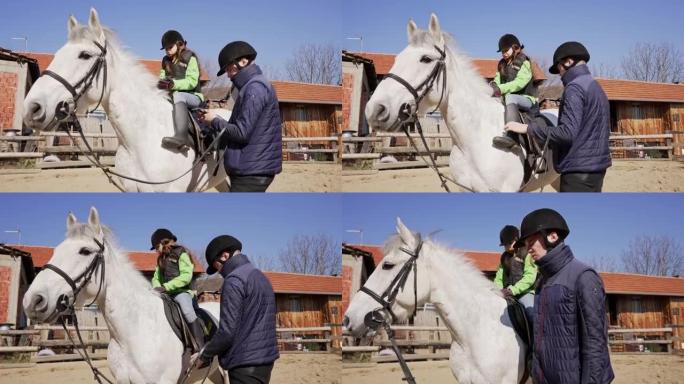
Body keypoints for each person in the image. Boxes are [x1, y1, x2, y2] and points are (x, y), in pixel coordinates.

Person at [516, 208, 614, 384]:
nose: (528, 249)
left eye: (531, 242)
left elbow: (595, 344)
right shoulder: (542, 282)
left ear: (552, 237)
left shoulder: (583, 276)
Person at [505, 42, 612, 192]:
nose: (559, 74)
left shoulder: (574, 89)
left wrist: (528, 128)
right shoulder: (596, 87)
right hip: (598, 169)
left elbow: (567, 133)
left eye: (559, 68)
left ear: (569, 62)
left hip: (577, 171)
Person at [194, 235, 279, 383]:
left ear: (225, 255)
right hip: (265, 360)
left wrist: (205, 355)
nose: (219, 272)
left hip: (244, 364)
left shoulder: (233, 281)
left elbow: (227, 332)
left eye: (217, 266)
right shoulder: (260, 276)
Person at [201, 41, 282, 192]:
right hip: (250, 168)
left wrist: (214, 120)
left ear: (243, 62)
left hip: (251, 172)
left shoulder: (254, 88)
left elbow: (241, 133)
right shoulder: (251, 87)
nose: (228, 74)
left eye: (228, 68)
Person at [149, 228, 205, 350]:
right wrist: (155, 288)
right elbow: (156, 277)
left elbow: (186, 276)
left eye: (156, 247)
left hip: (181, 292)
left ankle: (201, 347)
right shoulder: (160, 259)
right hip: (166, 293)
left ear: (163, 243)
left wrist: (166, 287)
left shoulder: (182, 253)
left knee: (187, 311)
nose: (156, 251)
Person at [158, 30, 205, 150]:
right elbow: (162, 78)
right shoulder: (165, 61)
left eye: (170, 47)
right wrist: (160, 84)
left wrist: (173, 85)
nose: (168, 50)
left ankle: (182, 136)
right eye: (165, 48)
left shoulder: (190, 57)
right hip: (174, 95)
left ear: (179, 44)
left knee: (179, 95)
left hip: (194, 96)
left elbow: (192, 81)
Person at [491, 34, 538, 150]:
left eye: (506, 50)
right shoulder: (502, 64)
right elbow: (497, 80)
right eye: (502, 51)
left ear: (515, 47)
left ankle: (513, 136)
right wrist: (493, 85)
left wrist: (501, 89)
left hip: (527, 100)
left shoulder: (525, 62)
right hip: (509, 99)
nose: (504, 53)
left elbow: (519, 83)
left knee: (510, 97)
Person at [494, 225, 537, 322]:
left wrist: (513, 290)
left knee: (532, 313)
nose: (507, 247)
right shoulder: (504, 258)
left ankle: (538, 336)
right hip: (507, 293)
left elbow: (530, 277)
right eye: (505, 245)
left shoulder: (527, 254)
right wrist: (498, 290)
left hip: (524, 293)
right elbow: (499, 277)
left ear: (517, 239)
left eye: (509, 243)